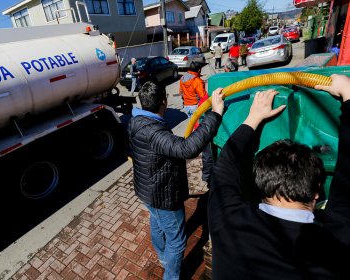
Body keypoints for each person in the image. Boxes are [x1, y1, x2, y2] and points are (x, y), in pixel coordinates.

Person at [208, 74, 350, 279]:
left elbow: (225, 166)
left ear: (261, 183)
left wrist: (253, 117)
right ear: (317, 189)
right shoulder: (337, 239)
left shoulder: (227, 220)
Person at [128, 81, 224, 280]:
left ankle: (163, 257)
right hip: (162, 195)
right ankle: (171, 275)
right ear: (163, 101)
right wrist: (215, 114)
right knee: (177, 241)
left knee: (156, 221)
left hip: (147, 191)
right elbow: (187, 148)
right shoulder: (153, 131)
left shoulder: (135, 120)